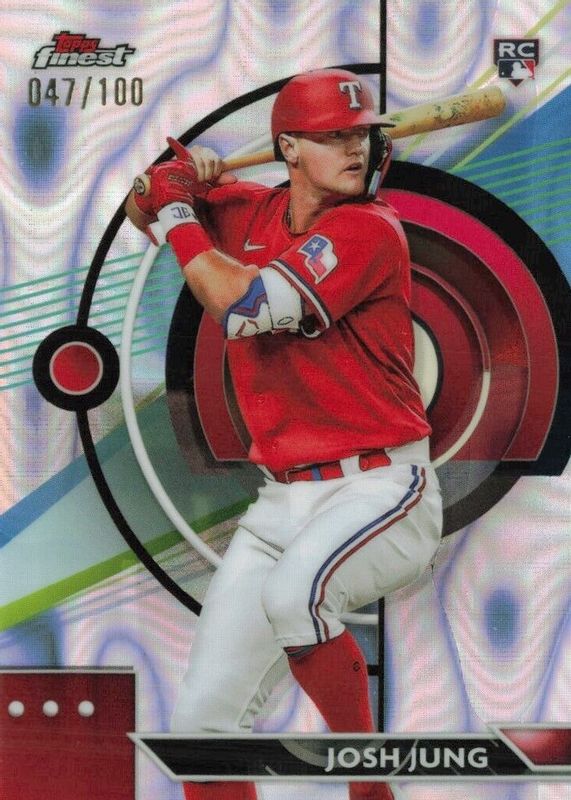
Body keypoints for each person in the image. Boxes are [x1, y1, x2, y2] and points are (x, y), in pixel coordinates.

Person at [127, 68, 443, 800]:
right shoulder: (250, 210)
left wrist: (180, 213)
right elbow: (143, 207)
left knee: (298, 596)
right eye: (333, 137)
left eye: (361, 135)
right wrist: (169, 182)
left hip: (380, 488)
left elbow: (244, 309)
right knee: (201, 731)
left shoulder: (368, 229)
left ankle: (369, 785)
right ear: (289, 149)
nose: (355, 149)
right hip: (283, 499)